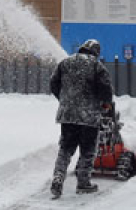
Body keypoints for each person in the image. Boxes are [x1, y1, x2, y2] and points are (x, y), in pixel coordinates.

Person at [49, 38, 113, 197]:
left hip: (67, 114)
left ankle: (58, 177)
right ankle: (83, 183)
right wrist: (106, 104)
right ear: (96, 52)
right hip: (89, 116)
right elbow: (106, 88)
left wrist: (65, 101)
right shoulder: (96, 66)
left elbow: (53, 83)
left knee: (65, 148)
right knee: (88, 149)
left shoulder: (65, 62)